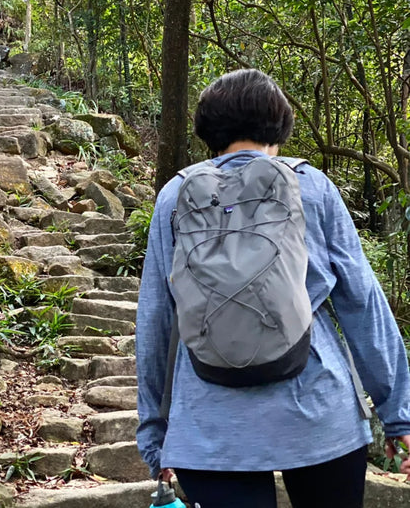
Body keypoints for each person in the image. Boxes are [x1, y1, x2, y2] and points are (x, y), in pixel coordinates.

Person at [136, 69, 410, 508]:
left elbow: (156, 319)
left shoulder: (175, 195)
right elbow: (362, 302)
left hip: (210, 427)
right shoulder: (313, 187)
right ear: (279, 124)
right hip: (319, 415)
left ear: (209, 129)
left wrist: (155, 434)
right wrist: (399, 415)